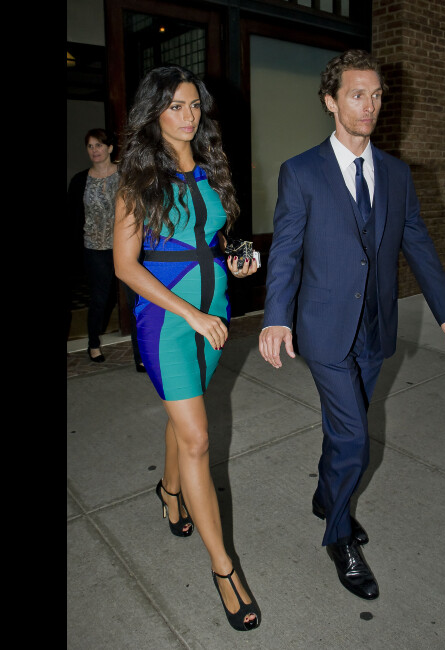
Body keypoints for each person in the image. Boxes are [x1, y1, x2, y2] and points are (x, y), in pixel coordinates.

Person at [259, 50, 445, 601]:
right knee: (355, 437)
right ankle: (339, 535)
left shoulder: (397, 174)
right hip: (324, 329)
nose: (370, 105)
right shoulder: (301, 171)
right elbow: (285, 250)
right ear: (331, 102)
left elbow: (418, 243)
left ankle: (328, 495)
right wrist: (276, 318)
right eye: (357, 94)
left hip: (375, 328)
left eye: (376, 95)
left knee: (342, 431)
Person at [113, 64, 260, 631]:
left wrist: (236, 260)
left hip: (215, 313)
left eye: (195, 105)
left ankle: (169, 490)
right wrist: (192, 315)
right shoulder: (136, 177)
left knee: (188, 409)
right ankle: (224, 569)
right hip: (170, 320)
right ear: (154, 112)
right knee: (197, 436)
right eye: (176, 105)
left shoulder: (212, 169)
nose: (189, 115)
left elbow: (214, 241)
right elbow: (126, 266)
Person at [67, 128, 119, 362]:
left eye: (99, 145)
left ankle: (141, 354)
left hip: (124, 246)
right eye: (90, 146)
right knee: (100, 297)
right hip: (94, 248)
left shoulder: (125, 175)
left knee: (135, 297)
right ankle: (93, 344)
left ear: (110, 148)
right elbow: (72, 216)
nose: (95, 150)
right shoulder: (80, 180)